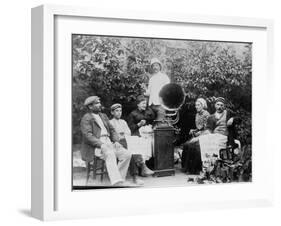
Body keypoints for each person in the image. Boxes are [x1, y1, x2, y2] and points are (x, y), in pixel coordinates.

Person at [80, 96, 132, 186]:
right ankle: (116, 182)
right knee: (110, 153)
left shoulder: (103, 116)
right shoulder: (86, 118)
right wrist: (101, 144)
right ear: (90, 107)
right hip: (95, 146)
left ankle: (119, 178)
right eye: (97, 103)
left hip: (108, 142)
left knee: (127, 154)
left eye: (99, 102)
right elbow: (88, 136)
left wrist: (116, 141)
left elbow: (112, 130)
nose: (100, 105)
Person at [109, 103, 151, 184]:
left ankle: (140, 169)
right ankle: (138, 172)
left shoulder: (123, 122)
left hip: (125, 141)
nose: (119, 113)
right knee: (131, 149)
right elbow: (112, 135)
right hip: (116, 144)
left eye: (120, 111)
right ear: (112, 112)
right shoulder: (110, 122)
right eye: (116, 111)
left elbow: (128, 132)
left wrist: (122, 134)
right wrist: (121, 134)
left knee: (136, 143)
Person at [181, 98, 210, 174]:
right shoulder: (197, 114)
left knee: (192, 146)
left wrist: (199, 133)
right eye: (196, 105)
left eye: (198, 105)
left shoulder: (206, 114)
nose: (196, 107)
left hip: (205, 135)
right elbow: (199, 127)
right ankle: (186, 167)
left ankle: (193, 169)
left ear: (203, 105)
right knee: (186, 145)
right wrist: (194, 130)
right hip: (198, 134)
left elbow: (207, 129)